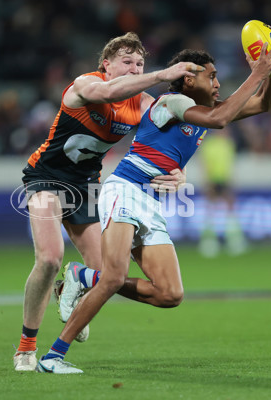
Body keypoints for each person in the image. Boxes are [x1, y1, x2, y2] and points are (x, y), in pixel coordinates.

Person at [37, 35, 271, 374]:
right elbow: (221, 119)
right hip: (124, 190)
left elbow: (263, 105)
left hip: (150, 202)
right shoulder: (172, 103)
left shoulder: (201, 111)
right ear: (187, 79)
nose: (217, 83)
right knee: (113, 277)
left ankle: (82, 276)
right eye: (210, 76)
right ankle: (53, 358)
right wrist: (257, 72)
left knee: (170, 294)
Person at [14, 32, 203, 371]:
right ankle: (26, 347)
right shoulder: (86, 84)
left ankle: (69, 288)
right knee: (49, 258)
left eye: (140, 63)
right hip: (47, 176)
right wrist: (161, 74)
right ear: (107, 64)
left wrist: (180, 175)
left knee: (106, 273)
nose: (135, 68)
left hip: (86, 184)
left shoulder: (143, 103)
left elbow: (167, 138)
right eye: (127, 62)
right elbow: (107, 93)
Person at [198, 128, 248, 257]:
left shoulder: (228, 144)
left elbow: (230, 163)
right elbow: (205, 163)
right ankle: (209, 241)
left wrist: (232, 180)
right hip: (213, 179)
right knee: (211, 209)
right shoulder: (210, 144)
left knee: (230, 209)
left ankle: (234, 240)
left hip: (225, 179)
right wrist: (207, 181)